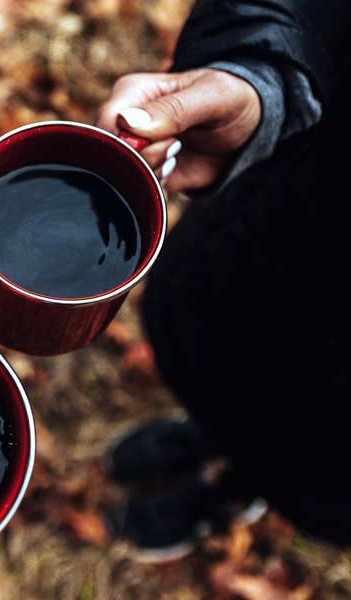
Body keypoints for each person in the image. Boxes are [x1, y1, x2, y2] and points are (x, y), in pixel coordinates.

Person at [94, 0, 351, 560]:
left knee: (305, 462)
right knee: (230, 374)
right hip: (289, 235)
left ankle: (229, 492)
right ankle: (207, 434)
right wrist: (265, 74)